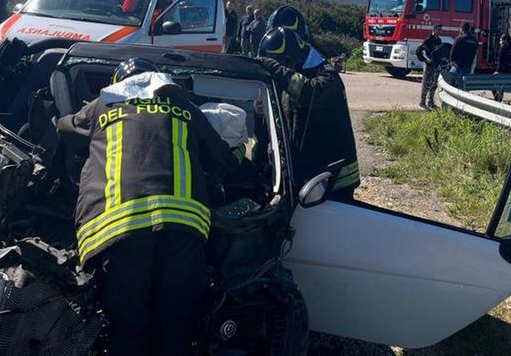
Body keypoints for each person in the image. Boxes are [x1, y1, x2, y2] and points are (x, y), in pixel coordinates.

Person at [57, 58, 239, 356]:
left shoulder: (102, 105)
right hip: (182, 227)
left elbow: (65, 130)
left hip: (119, 227)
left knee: (127, 325)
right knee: (177, 324)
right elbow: (222, 158)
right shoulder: (182, 106)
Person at [257, 21, 360, 200]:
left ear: (293, 59)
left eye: (281, 63)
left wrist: (273, 67)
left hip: (336, 181)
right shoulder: (284, 81)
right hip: (308, 179)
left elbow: (308, 93)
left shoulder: (328, 77)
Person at [416, 25, 443, 109]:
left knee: (434, 84)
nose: (440, 31)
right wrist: (424, 59)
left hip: (436, 65)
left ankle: (430, 102)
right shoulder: (428, 40)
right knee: (426, 84)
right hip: (429, 65)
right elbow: (419, 50)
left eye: (440, 30)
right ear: (434, 30)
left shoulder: (439, 40)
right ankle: (422, 103)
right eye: (438, 29)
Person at [493, 33, 511, 102]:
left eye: (501, 40)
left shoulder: (503, 47)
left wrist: (497, 71)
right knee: (502, 85)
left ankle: (498, 99)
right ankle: (499, 98)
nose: (500, 42)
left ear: (505, 40)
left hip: (503, 71)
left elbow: (500, 60)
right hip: (510, 71)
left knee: (493, 83)